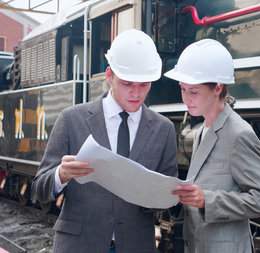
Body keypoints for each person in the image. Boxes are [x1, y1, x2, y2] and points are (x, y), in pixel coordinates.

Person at [31, 29, 178, 253]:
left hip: (135, 245)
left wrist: (162, 195)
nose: (136, 93)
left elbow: (168, 194)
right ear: (109, 75)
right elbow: (39, 191)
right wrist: (61, 175)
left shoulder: (163, 129)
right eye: (128, 84)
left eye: (144, 85)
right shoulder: (71, 120)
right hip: (79, 245)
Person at [167, 39, 260, 253]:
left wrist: (208, 200)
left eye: (194, 91)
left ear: (218, 87)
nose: (186, 99)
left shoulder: (239, 133)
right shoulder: (203, 129)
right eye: (183, 90)